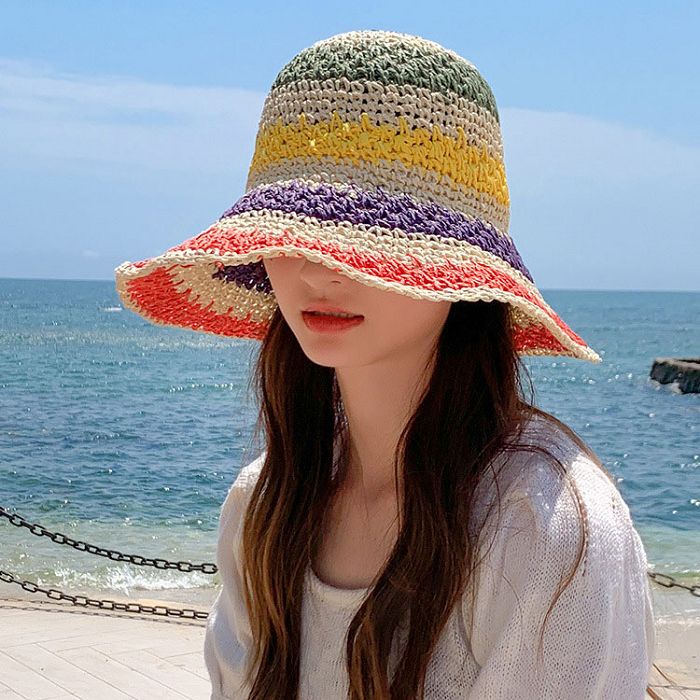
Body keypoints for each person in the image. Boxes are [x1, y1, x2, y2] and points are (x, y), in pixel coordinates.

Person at [114, 30, 656, 700]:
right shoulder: (264, 505)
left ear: (461, 275)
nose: (317, 270)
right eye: (290, 235)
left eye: (365, 241)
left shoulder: (544, 523)